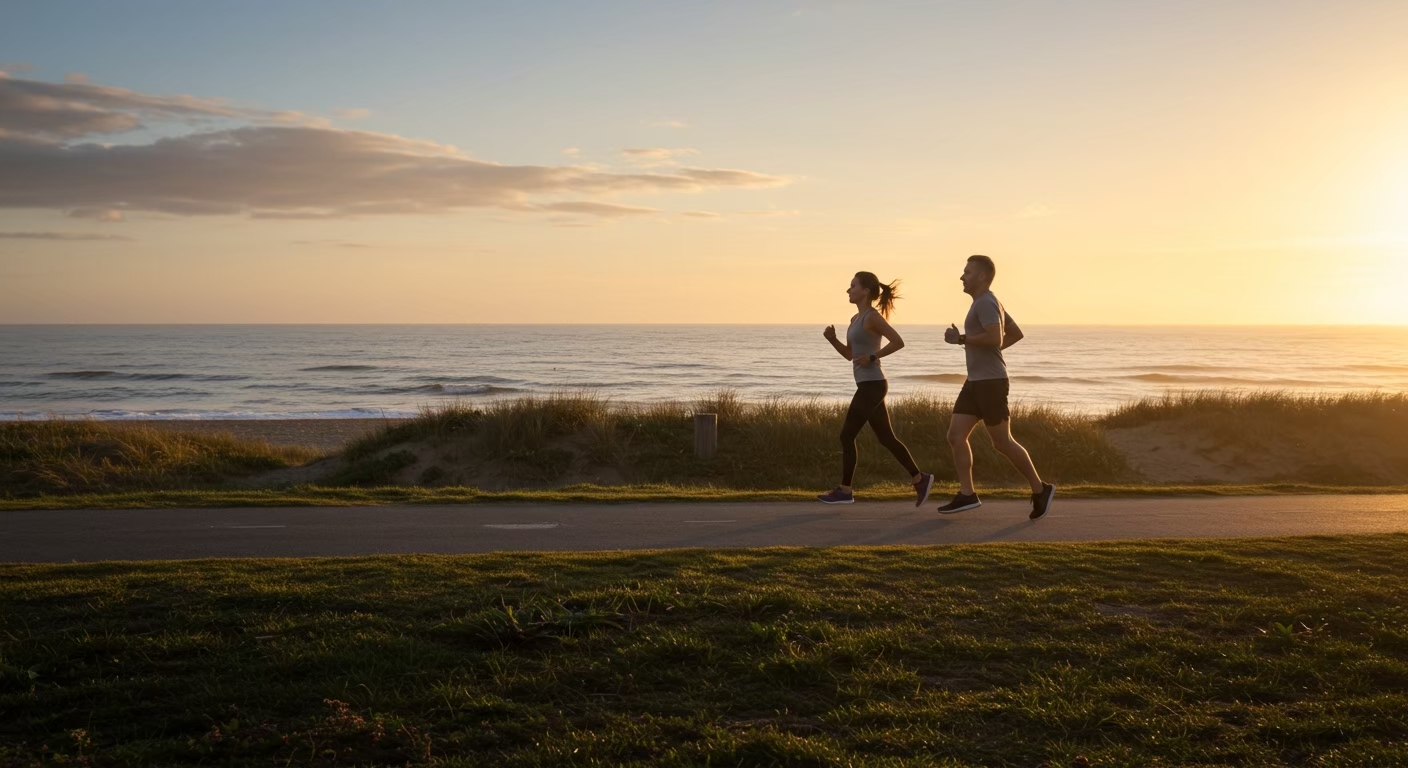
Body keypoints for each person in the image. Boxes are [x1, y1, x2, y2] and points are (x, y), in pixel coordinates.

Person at [936, 254, 1055, 519]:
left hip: (991, 383)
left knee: (1002, 442)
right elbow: (1013, 333)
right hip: (976, 381)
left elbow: (995, 336)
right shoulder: (988, 302)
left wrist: (961, 339)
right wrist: (989, 349)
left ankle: (1040, 489)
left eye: (967, 272)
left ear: (982, 276)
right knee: (956, 436)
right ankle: (967, 495)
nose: (961, 276)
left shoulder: (987, 302)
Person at [818, 272, 935, 506]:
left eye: (852, 286)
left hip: (873, 385)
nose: (848, 290)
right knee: (886, 438)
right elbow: (850, 356)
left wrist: (873, 356)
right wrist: (832, 339)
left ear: (866, 291)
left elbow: (898, 341)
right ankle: (919, 478)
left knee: (846, 435)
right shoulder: (854, 320)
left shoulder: (872, 317)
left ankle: (845, 490)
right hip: (868, 384)